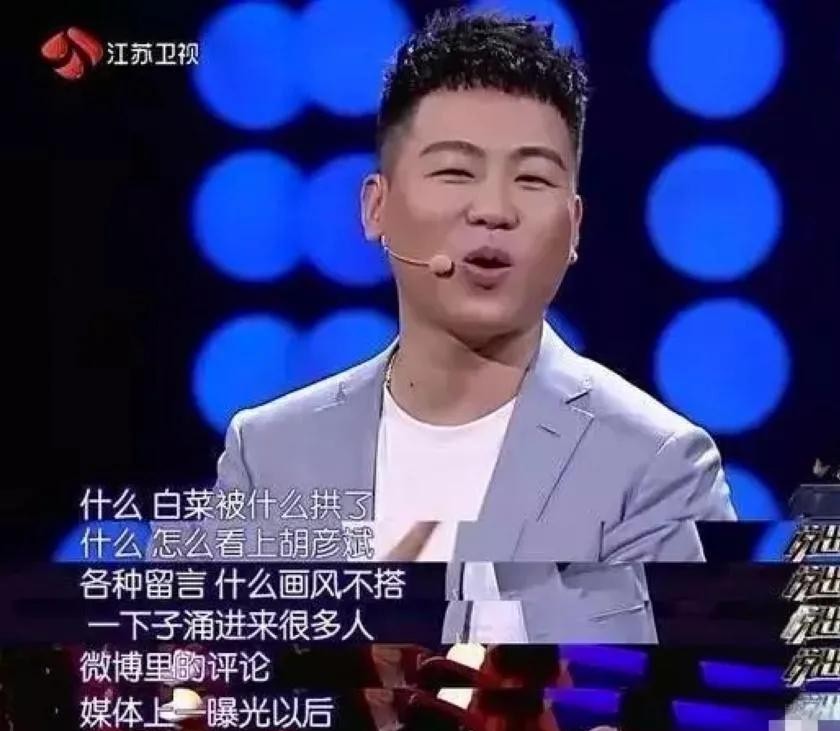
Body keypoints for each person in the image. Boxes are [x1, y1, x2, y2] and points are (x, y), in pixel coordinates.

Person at [213, 9, 736, 643]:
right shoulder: (270, 454)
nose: (493, 210)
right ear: (376, 208)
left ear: (573, 228)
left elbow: (694, 693)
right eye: (455, 171)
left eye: (532, 178)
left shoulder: (656, 467)